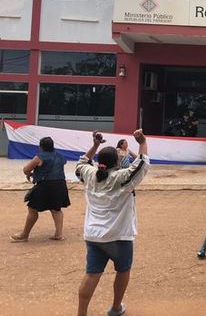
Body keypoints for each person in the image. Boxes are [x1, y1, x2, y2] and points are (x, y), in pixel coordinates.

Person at [75, 130, 150, 316]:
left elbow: (82, 163)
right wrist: (142, 142)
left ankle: (81, 313)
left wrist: (95, 145)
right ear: (117, 162)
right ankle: (116, 308)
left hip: (92, 235)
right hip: (118, 235)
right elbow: (142, 164)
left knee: (92, 274)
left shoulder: (89, 175)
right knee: (123, 270)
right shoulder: (121, 177)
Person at [10, 137, 70, 242]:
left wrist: (31, 174)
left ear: (41, 146)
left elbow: (26, 169)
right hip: (60, 184)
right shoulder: (61, 156)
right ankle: (58, 234)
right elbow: (62, 163)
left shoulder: (39, 157)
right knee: (56, 209)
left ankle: (24, 235)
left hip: (46, 185)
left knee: (32, 209)